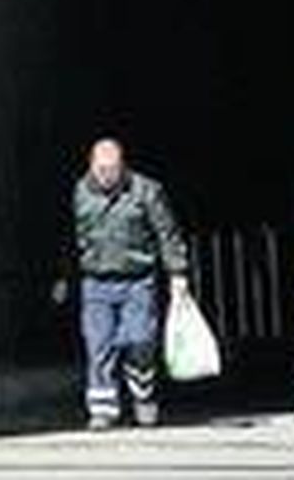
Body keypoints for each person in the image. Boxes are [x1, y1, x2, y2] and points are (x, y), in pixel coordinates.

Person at [53, 137, 189, 429]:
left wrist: (177, 272)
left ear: (122, 166)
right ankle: (103, 410)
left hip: (138, 280)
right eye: (101, 169)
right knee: (98, 344)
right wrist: (63, 277)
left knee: (139, 339)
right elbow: (70, 239)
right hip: (96, 282)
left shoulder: (146, 191)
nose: (106, 176)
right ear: (91, 165)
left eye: (112, 169)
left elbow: (167, 232)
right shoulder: (80, 193)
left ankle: (143, 395)